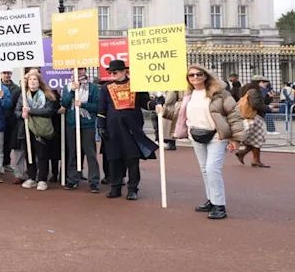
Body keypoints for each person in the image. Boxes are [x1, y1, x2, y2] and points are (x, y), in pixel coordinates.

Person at [160, 65, 236, 219]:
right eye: (191, 75)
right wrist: (160, 109)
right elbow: (176, 113)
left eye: (198, 74)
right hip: (196, 134)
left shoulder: (220, 93)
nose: (195, 77)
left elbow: (234, 114)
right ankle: (211, 199)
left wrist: (235, 138)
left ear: (206, 75)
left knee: (212, 168)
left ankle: (219, 205)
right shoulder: (187, 95)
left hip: (217, 135)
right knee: (204, 169)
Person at [97, 60, 157, 200]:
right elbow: (102, 109)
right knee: (114, 158)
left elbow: (145, 102)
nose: (112, 74)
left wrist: (154, 104)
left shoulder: (137, 85)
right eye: (110, 72)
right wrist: (101, 125)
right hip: (113, 128)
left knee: (132, 159)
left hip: (132, 127)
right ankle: (115, 187)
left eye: (115, 72)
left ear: (124, 71)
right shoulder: (106, 88)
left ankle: (133, 189)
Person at [15, 71, 58, 191]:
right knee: (29, 154)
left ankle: (42, 179)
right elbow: (17, 111)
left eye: (35, 80)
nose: (32, 82)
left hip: (41, 129)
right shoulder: (23, 95)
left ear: (39, 82)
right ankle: (32, 177)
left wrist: (30, 111)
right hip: (27, 129)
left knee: (42, 155)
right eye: (30, 80)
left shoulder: (46, 94)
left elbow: (49, 111)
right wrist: (21, 114)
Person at [60, 69, 101, 192]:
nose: (79, 71)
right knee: (72, 152)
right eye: (75, 69)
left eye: (81, 69)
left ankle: (94, 182)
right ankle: (72, 179)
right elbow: (64, 103)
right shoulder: (67, 86)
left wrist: (83, 105)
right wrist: (72, 90)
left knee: (90, 153)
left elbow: (97, 107)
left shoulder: (93, 88)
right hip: (72, 124)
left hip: (87, 124)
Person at [234, 76, 272, 168]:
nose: (266, 84)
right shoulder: (254, 91)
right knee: (258, 138)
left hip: (251, 116)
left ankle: (254, 159)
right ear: (259, 82)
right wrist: (268, 108)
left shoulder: (247, 89)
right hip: (255, 116)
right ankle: (247, 155)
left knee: (255, 139)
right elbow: (256, 104)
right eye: (265, 82)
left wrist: (269, 98)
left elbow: (260, 102)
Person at [0, 70, 20, 170]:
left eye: (8, 73)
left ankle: (6, 162)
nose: (6, 75)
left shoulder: (16, 88)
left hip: (10, 118)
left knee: (8, 141)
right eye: (4, 73)